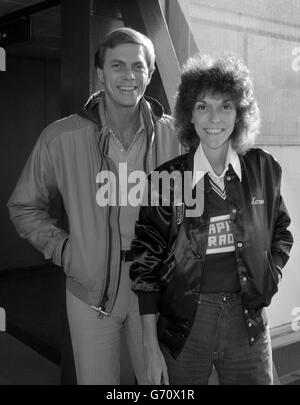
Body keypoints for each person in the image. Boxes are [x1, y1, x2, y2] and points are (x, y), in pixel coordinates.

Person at [7, 27, 180, 385]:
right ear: (100, 73)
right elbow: (24, 206)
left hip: (155, 295)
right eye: (117, 66)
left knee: (158, 387)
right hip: (91, 296)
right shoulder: (62, 137)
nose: (128, 76)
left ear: (149, 74)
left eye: (138, 66)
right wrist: (67, 250)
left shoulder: (174, 137)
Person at [130, 54, 293, 385]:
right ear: (190, 113)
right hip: (185, 326)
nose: (214, 118)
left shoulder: (263, 168)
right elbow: (145, 264)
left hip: (247, 321)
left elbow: (281, 233)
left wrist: (268, 279)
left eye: (226, 106)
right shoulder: (167, 179)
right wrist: (149, 346)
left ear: (240, 113)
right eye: (203, 106)